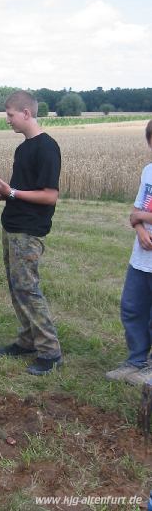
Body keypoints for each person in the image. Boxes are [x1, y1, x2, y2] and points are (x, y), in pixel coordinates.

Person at [0, 90, 62, 376]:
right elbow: (21, 191)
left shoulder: (47, 147)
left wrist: (14, 192)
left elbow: (49, 196)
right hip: (12, 225)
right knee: (16, 286)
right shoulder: (23, 148)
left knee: (28, 289)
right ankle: (28, 339)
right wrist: (5, 195)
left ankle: (50, 350)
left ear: (26, 113)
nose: (7, 120)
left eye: (9, 114)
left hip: (29, 231)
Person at [106, 120, 152, 385]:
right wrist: (140, 228)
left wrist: (142, 216)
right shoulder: (148, 172)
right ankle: (136, 360)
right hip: (141, 258)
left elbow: (141, 212)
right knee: (132, 308)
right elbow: (135, 212)